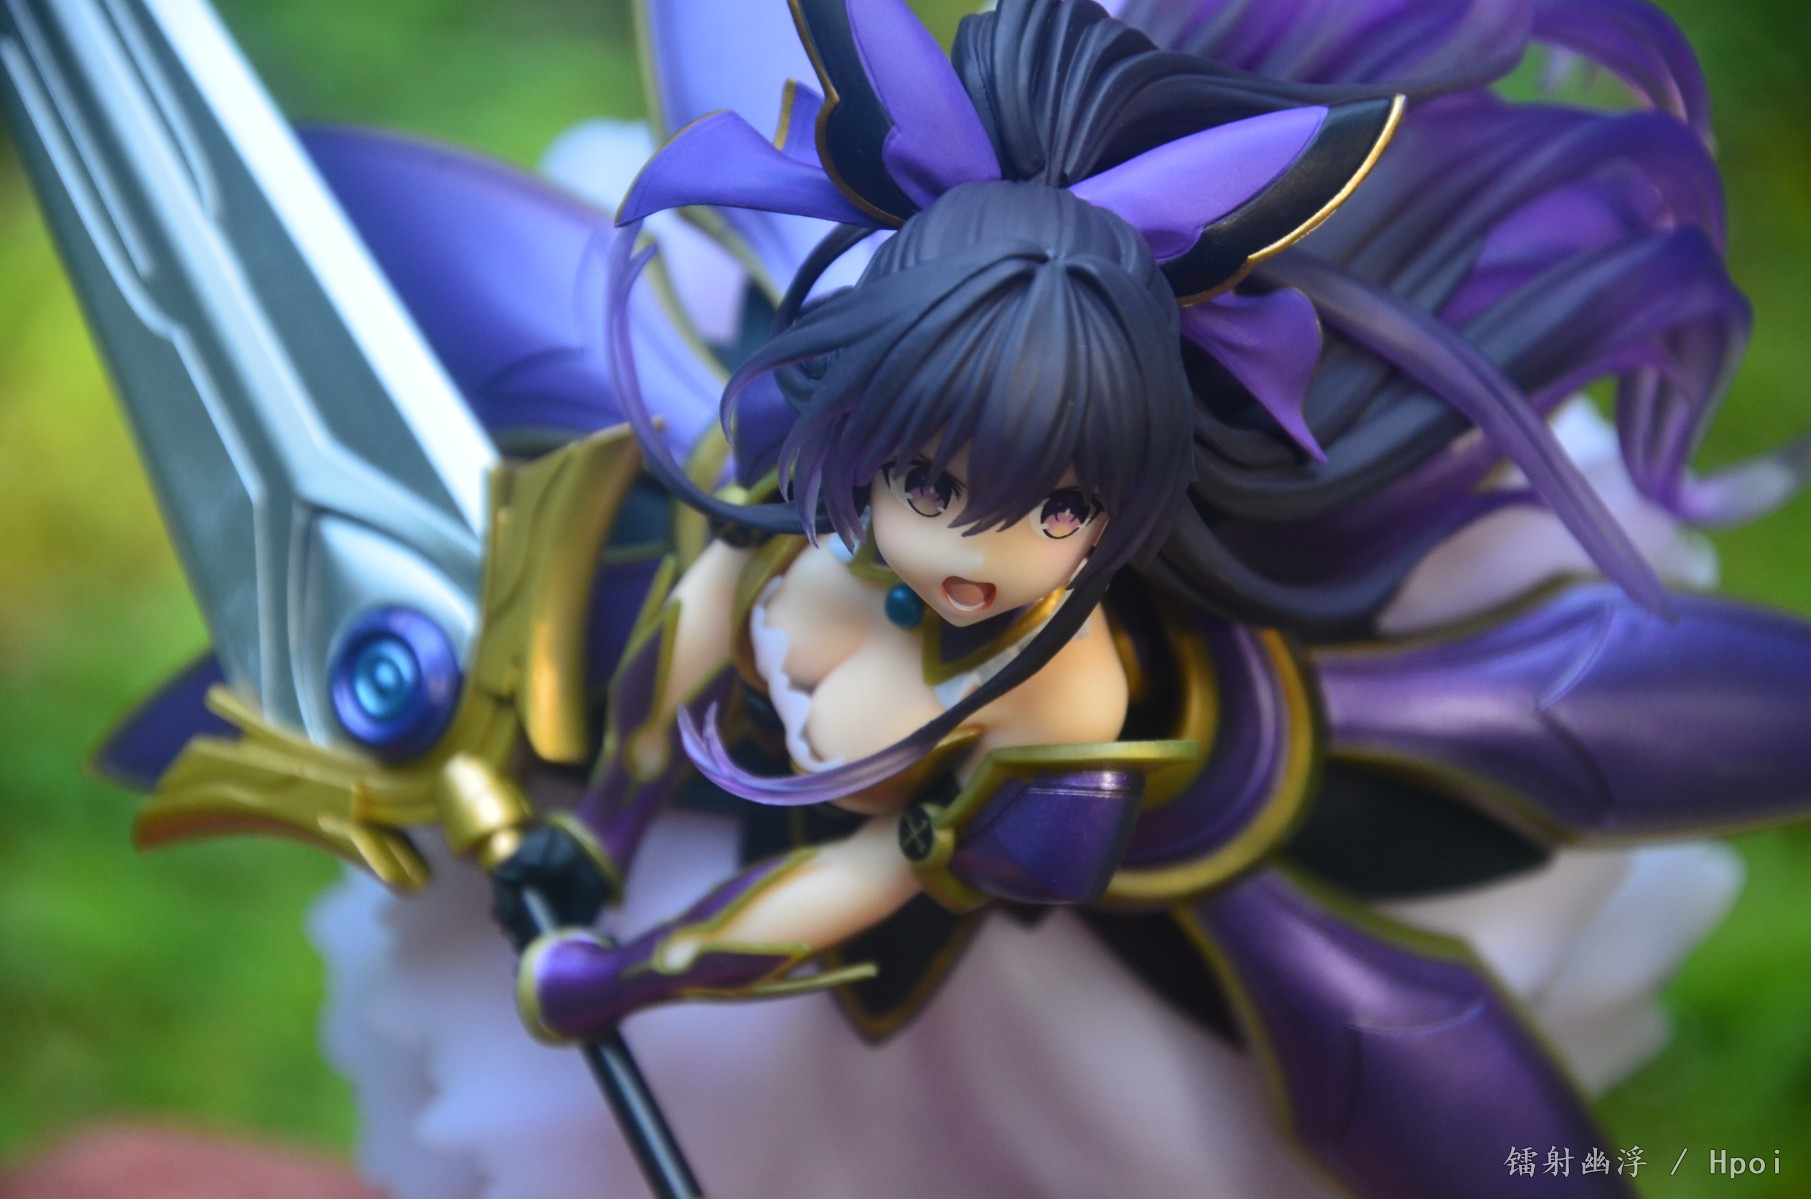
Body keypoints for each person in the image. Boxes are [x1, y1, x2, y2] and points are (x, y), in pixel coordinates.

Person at [447, 1, 1811, 1196]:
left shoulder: (1063, 691)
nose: (981, 552)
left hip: (1038, 983)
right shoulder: (796, 490)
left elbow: (874, 877)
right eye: (931, 483)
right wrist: (604, 833)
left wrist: (651, 969)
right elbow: (690, 630)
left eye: (1058, 511)